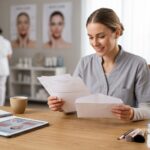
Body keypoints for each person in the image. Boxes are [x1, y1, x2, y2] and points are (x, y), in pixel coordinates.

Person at [47, 8, 150, 121]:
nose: (95, 43)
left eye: (101, 36)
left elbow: (147, 108)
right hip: (87, 130)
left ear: (117, 32)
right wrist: (60, 105)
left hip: (120, 133)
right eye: (90, 37)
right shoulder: (84, 63)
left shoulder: (138, 64)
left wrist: (132, 113)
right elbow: (73, 105)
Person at [0, 28, 13, 106]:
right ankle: (1, 105)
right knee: (2, 87)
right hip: (4, 67)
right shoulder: (6, 42)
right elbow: (9, 56)